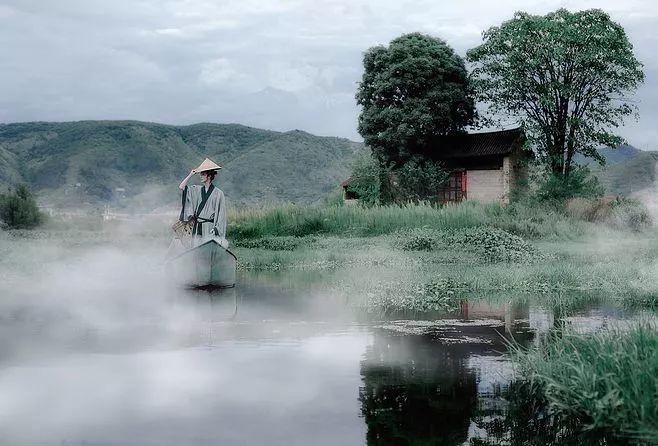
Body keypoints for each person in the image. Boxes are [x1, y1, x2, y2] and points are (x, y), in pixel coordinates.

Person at [178, 158, 227, 246]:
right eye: (200, 174)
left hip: (209, 227)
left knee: (207, 249)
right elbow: (182, 187)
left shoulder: (218, 194)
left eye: (203, 174)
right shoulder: (197, 190)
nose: (200, 176)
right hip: (197, 227)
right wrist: (190, 174)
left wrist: (216, 228)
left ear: (209, 176)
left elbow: (221, 214)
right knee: (196, 251)